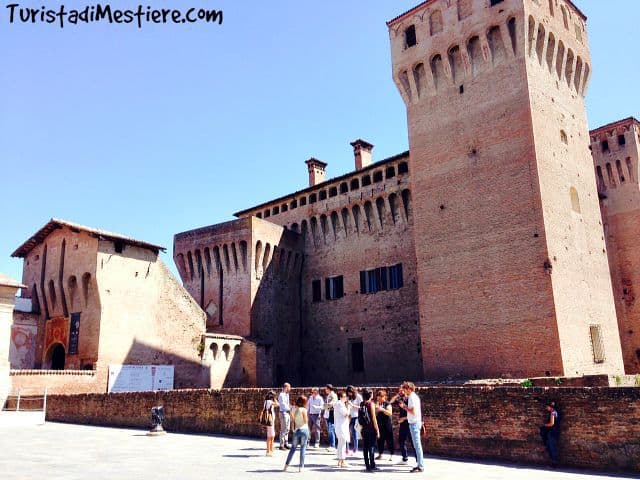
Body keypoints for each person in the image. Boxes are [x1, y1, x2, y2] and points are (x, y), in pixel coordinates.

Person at [400, 381, 424, 473]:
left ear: (409, 389)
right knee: (416, 445)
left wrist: (404, 407)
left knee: (417, 446)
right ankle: (419, 464)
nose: (404, 391)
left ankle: (420, 466)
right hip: (413, 422)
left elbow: (413, 411)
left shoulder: (412, 398)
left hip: (414, 423)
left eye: (405, 389)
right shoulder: (413, 397)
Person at [284, 396, 310, 472]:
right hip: (304, 429)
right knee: (303, 449)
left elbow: (293, 420)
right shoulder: (304, 410)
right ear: (304, 402)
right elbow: (305, 421)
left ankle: (286, 465)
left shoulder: (294, 409)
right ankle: (301, 467)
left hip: (296, 430)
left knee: (293, 449)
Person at [359, 388, 380, 472]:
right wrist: (377, 430)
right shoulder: (371, 404)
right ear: (370, 395)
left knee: (365, 447)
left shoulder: (362, 404)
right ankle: (372, 465)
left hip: (364, 428)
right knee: (371, 447)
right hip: (371, 428)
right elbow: (374, 418)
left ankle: (367, 465)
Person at [390, 387, 412, 463]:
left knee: (413, 442)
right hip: (402, 424)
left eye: (402, 390)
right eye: (399, 390)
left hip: (410, 423)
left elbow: (413, 413)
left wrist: (404, 418)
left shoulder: (410, 399)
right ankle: (405, 458)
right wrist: (397, 395)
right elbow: (391, 401)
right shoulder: (400, 400)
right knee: (401, 441)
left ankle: (418, 460)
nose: (401, 392)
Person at [334, 390, 352, 468]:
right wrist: (349, 408)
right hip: (341, 427)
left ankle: (339, 461)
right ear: (340, 397)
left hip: (341, 426)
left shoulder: (340, 404)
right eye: (344, 397)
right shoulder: (340, 404)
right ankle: (343, 461)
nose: (346, 398)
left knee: (340, 444)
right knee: (342, 445)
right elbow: (346, 414)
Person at [375, 389, 394, 461]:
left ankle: (392, 454)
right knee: (380, 440)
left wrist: (382, 409)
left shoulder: (387, 403)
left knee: (389, 440)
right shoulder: (377, 404)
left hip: (387, 424)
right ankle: (380, 454)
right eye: (378, 397)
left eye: (380, 397)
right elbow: (375, 413)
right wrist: (376, 409)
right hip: (379, 424)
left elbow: (390, 413)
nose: (379, 398)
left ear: (384, 397)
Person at [540, 401, 560, 467]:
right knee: (552, 447)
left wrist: (544, 425)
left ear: (551, 407)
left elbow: (552, 423)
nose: (546, 408)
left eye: (547, 406)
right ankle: (553, 462)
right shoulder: (556, 412)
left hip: (552, 432)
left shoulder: (552, 413)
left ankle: (554, 463)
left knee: (551, 447)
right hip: (555, 432)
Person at [346, 385, 363, 455]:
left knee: (354, 433)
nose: (349, 394)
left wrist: (353, 405)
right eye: (348, 393)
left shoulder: (358, 397)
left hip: (356, 416)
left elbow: (361, 407)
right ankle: (346, 449)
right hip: (349, 416)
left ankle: (355, 449)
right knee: (347, 433)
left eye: (350, 392)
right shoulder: (348, 397)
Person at [323, 384, 338, 451]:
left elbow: (332, 404)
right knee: (330, 430)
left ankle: (333, 445)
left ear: (329, 389)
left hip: (332, 414)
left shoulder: (333, 395)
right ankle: (332, 445)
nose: (325, 390)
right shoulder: (329, 395)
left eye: (326, 389)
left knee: (331, 429)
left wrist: (324, 406)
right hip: (328, 414)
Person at [278, 383, 292, 450]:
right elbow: (283, 405)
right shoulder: (281, 395)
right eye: (289, 387)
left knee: (287, 429)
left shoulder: (287, 395)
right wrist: (290, 408)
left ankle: (286, 443)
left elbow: (287, 404)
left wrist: (290, 408)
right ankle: (281, 445)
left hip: (287, 413)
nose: (290, 389)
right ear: (286, 387)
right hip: (283, 413)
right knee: (283, 429)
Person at [262, 390, 276, 456]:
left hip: (268, 420)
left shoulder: (266, 401)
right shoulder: (270, 402)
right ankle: (269, 450)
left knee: (269, 435)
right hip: (270, 420)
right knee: (272, 436)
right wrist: (275, 399)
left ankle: (269, 450)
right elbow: (278, 404)